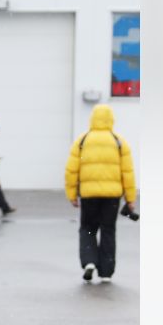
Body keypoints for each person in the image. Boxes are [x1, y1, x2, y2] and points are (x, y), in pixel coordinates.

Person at [65, 104, 136, 283]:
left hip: (89, 195)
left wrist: (72, 194)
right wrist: (130, 198)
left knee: (88, 228)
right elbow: (127, 172)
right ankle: (106, 272)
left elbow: (71, 170)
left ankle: (89, 261)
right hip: (112, 196)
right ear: (111, 120)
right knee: (108, 230)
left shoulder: (82, 141)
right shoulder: (119, 142)